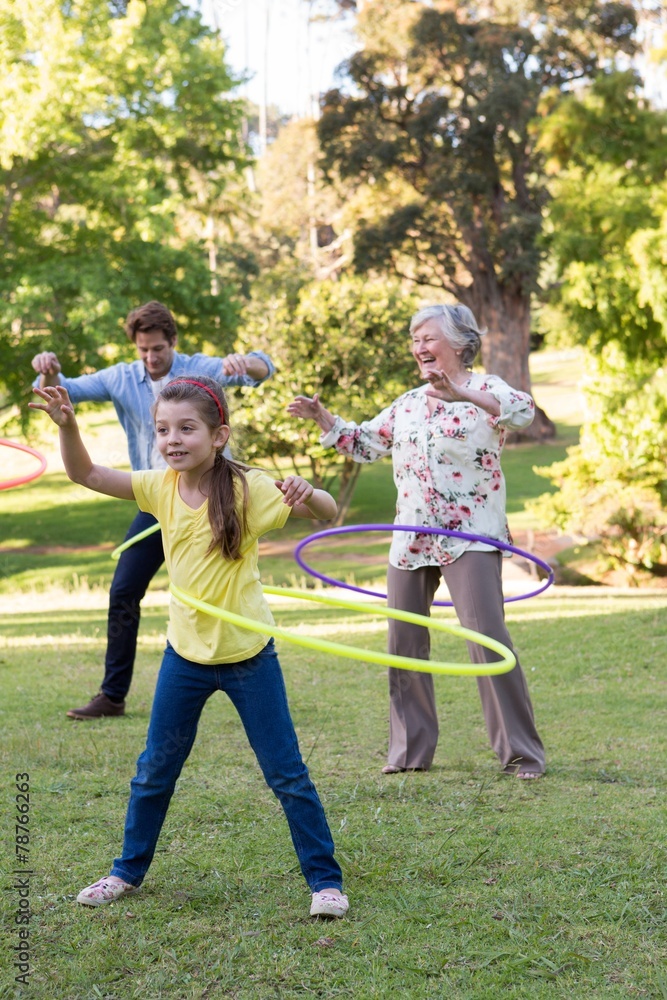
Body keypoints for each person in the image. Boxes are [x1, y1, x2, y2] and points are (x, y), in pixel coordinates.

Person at [29, 375, 348, 919]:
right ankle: (125, 871)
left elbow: (327, 515)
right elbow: (84, 473)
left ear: (219, 435)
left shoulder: (250, 487)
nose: (172, 440)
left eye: (187, 429)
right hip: (185, 657)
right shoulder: (158, 487)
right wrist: (69, 425)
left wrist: (307, 491)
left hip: (248, 654)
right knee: (155, 769)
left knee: (287, 773)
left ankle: (325, 882)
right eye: (162, 430)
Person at [288, 303, 545, 780]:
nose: (419, 347)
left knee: (486, 641)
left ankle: (521, 754)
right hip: (410, 537)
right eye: (414, 339)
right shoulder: (407, 403)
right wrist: (323, 418)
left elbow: (524, 412)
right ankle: (409, 753)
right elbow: (364, 443)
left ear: (459, 343)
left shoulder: (488, 389)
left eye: (428, 338)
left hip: (470, 535)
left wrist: (462, 394)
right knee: (402, 643)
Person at [31, 301, 275, 720]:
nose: (151, 358)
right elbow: (66, 389)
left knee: (225, 587)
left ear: (173, 342)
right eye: (143, 350)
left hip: (214, 499)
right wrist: (49, 371)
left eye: (158, 349)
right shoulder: (121, 377)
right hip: (157, 497)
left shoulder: (198, 370)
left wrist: (247, 362)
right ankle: (112, 695)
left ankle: (245, 669)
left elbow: (262, 370)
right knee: (124, 589)